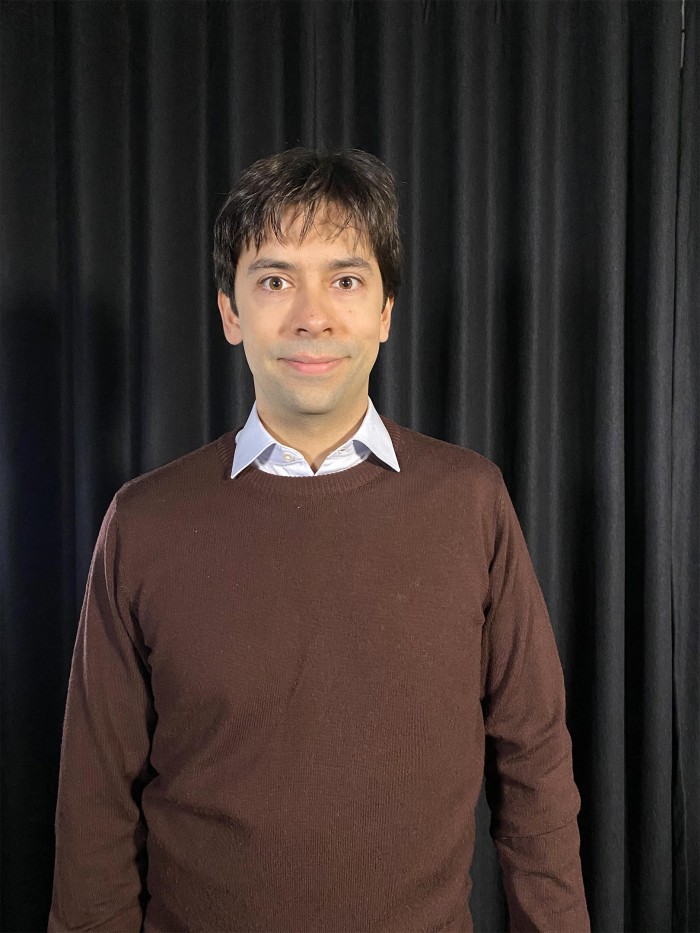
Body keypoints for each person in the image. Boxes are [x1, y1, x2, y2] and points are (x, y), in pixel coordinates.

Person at [48, 147, 590, 932]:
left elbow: (534, 764)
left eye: (345, 280)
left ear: (385, 311)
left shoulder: (471, 501)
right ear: (231, 312)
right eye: (275, 281)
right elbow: (93, 810)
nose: (312, 315)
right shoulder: (143, 523)